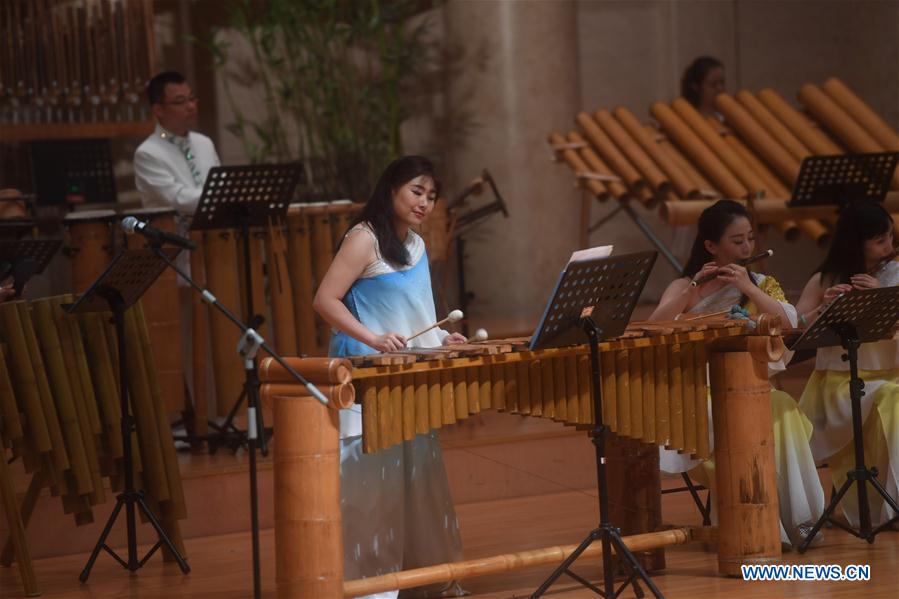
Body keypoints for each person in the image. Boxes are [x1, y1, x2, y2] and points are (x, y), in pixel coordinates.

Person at [313, 155, 466, 598]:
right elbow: (325, 299)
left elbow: (416, 312)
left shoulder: (416, 245)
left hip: (407, 377)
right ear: (391, 189)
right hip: (366, 376)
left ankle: (423, 581)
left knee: (418, 480)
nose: (424, 203)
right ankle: (371, 590)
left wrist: (441, 339)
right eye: (416, 192)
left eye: (432, 197)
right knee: (371, 489)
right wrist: (373, 338)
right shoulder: (364, 239)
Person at [649, 199, 825, 546]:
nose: (746, 248)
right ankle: (761, 524)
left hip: (752, 387)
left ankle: (800, 521)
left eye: (750, 239)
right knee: (752, 412)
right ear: (711, 247)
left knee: (782, 405)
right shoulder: (686, 285)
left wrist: (747, 287)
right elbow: (653, 327)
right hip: (698, 398)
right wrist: (690, 290)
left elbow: (790, 325)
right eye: (737, 241)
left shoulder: (760, 282)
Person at [796, 199, 899, 527]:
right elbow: (795, 327)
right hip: (840, 381)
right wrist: (823, 309)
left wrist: (883, 294)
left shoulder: (896, 272)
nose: (890, 246)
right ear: (857, 243)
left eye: (891, 238)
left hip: (890, 376)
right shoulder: (826, 277)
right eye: (880, 240)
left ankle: (893, 506)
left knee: (895, 400)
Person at [134, 71, 221, 218]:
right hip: (174, 236)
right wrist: (222, 198)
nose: (191, 106)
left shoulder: (204, 142)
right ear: (158, 110)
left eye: (192, 99)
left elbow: (219, 184)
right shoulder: (147, 153)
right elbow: (177, 199)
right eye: (181, 101)